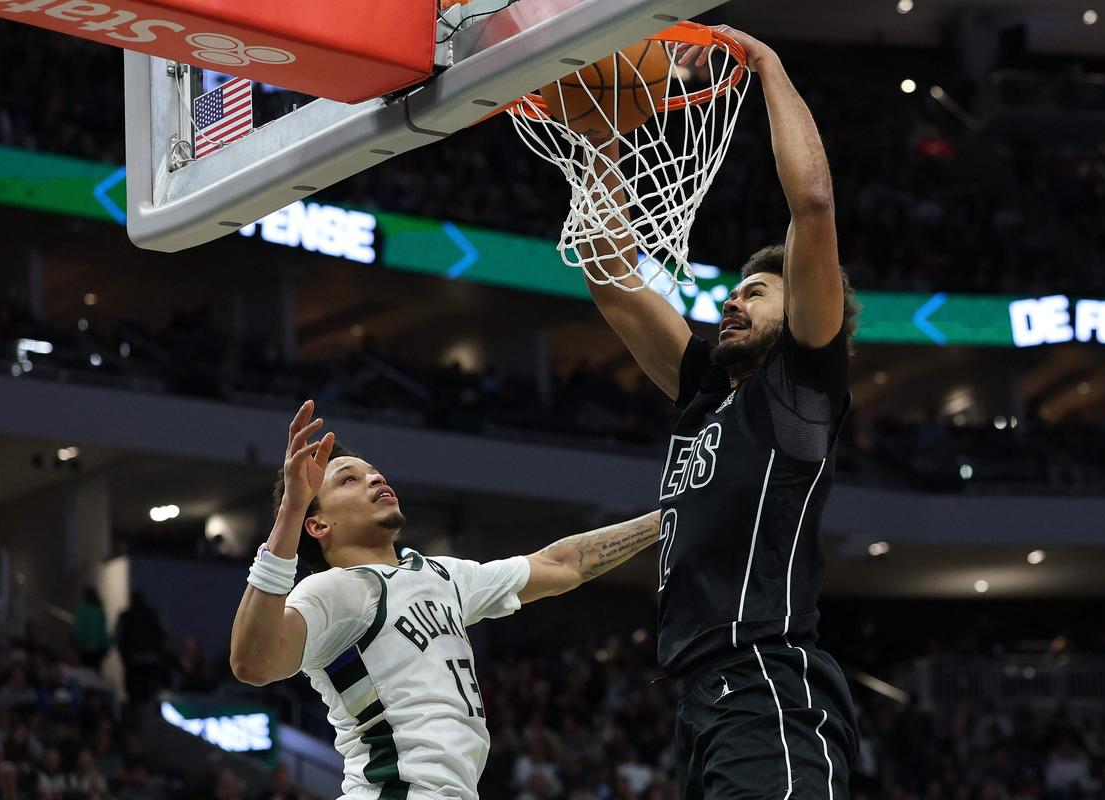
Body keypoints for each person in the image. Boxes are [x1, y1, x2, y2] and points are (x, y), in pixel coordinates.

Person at [576, 27, 860, 799]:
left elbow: (813, 203)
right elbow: (607, 273)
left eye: (756, 292)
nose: (732, 299)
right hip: (701, 699)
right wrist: (604, 133)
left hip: (767, 680)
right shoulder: (709, 390)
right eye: (733, 290)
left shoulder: (799, 388)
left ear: (802, 313)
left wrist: (768, 65)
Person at [229, 400, 661, 800]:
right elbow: (254, 663)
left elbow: (563, 565)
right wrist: (290, 509)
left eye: (374, 472)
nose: (375, 479)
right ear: (318, 525)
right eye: (349, 479)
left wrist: (669, 516)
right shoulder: (336, 590)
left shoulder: (445, 576)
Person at [71, 587, 111, 671]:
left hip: (85, 647)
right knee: (96, 671)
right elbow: (102, 629)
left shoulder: (82, 609)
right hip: (98, 647)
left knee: (86, 672)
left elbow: (78, 628)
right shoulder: (98, 609)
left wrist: (76, 644)